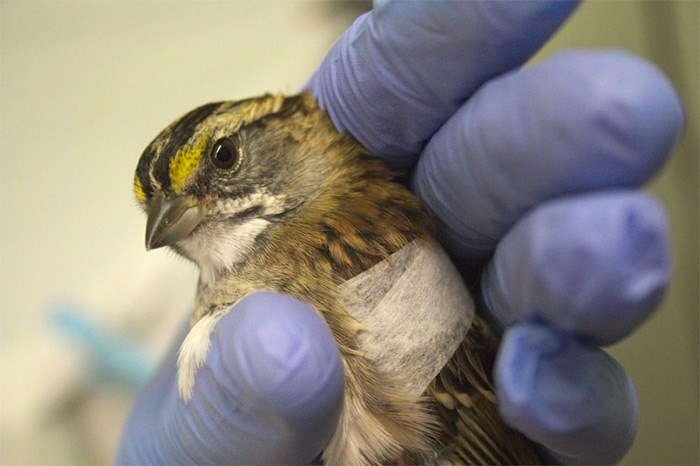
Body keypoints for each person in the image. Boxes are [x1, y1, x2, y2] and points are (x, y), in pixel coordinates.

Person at [116, 2, 683, 464]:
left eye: (223, 157)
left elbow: (457, 428)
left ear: (286, 133)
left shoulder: (344, 246)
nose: (176, 219)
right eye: (159, 210)